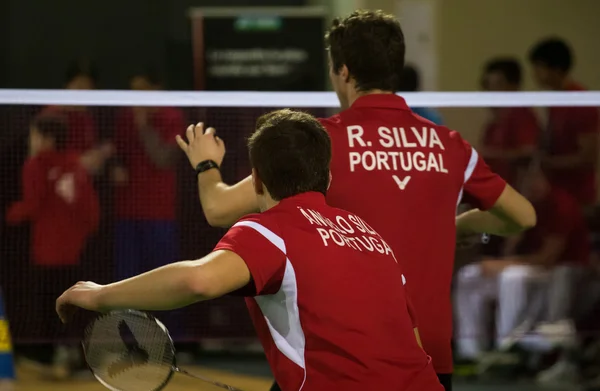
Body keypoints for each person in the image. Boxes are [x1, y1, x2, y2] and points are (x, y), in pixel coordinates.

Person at [174, 10, 537, 391]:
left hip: (342, 359)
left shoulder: (321, 143)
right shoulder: (449, 144)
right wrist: (462, 225)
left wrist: (206, 163)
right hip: (426, 357)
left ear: (343, 71)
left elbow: (218, 209)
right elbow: (523, 216)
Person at [56, 110, 445, 391]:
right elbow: (409, 343)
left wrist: (98, 295)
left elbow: (198, 279)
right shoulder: (371, 236)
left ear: (256, 180)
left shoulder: (268, 231)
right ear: (328, 176)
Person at [454, 168, 589, 372]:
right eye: (523, 180)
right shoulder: (519, 204)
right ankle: (470, 351)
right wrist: (512, 241)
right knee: (469, 275)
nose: (530, 185)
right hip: (525, 269)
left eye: (535, 177)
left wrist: (502, 264)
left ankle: (506, 348)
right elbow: (504, 250)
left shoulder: (561, 205)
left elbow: (547, 259)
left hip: (559, 272)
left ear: (547, 179)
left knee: (511, 278)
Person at [6, 115, 99, 379]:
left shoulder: (34, 164)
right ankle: (76, 358)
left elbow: (32, 205)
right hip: (74, 251)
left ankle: (51, 357)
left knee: (50, 305)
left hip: (47, 251)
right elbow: (91, 212)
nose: (31, 141)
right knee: (76, 305)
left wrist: (11, 213)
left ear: (46, 139)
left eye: (34, 136)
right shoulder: (76, 164)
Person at [529, 37, 600, 209]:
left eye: (539, 67)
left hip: (577, 196)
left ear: (556, 69)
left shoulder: (581, 102)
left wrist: (548, 162)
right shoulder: (556, 101)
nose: (534, 73)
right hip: (556, 192)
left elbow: (588, 157)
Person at [479, 58, 540, 188]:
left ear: (513, 87)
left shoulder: (522, 117)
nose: (491, 91)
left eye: (497, 85)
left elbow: (528, 154)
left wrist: (486, 154)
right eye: (487, 85)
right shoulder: (493, 125)